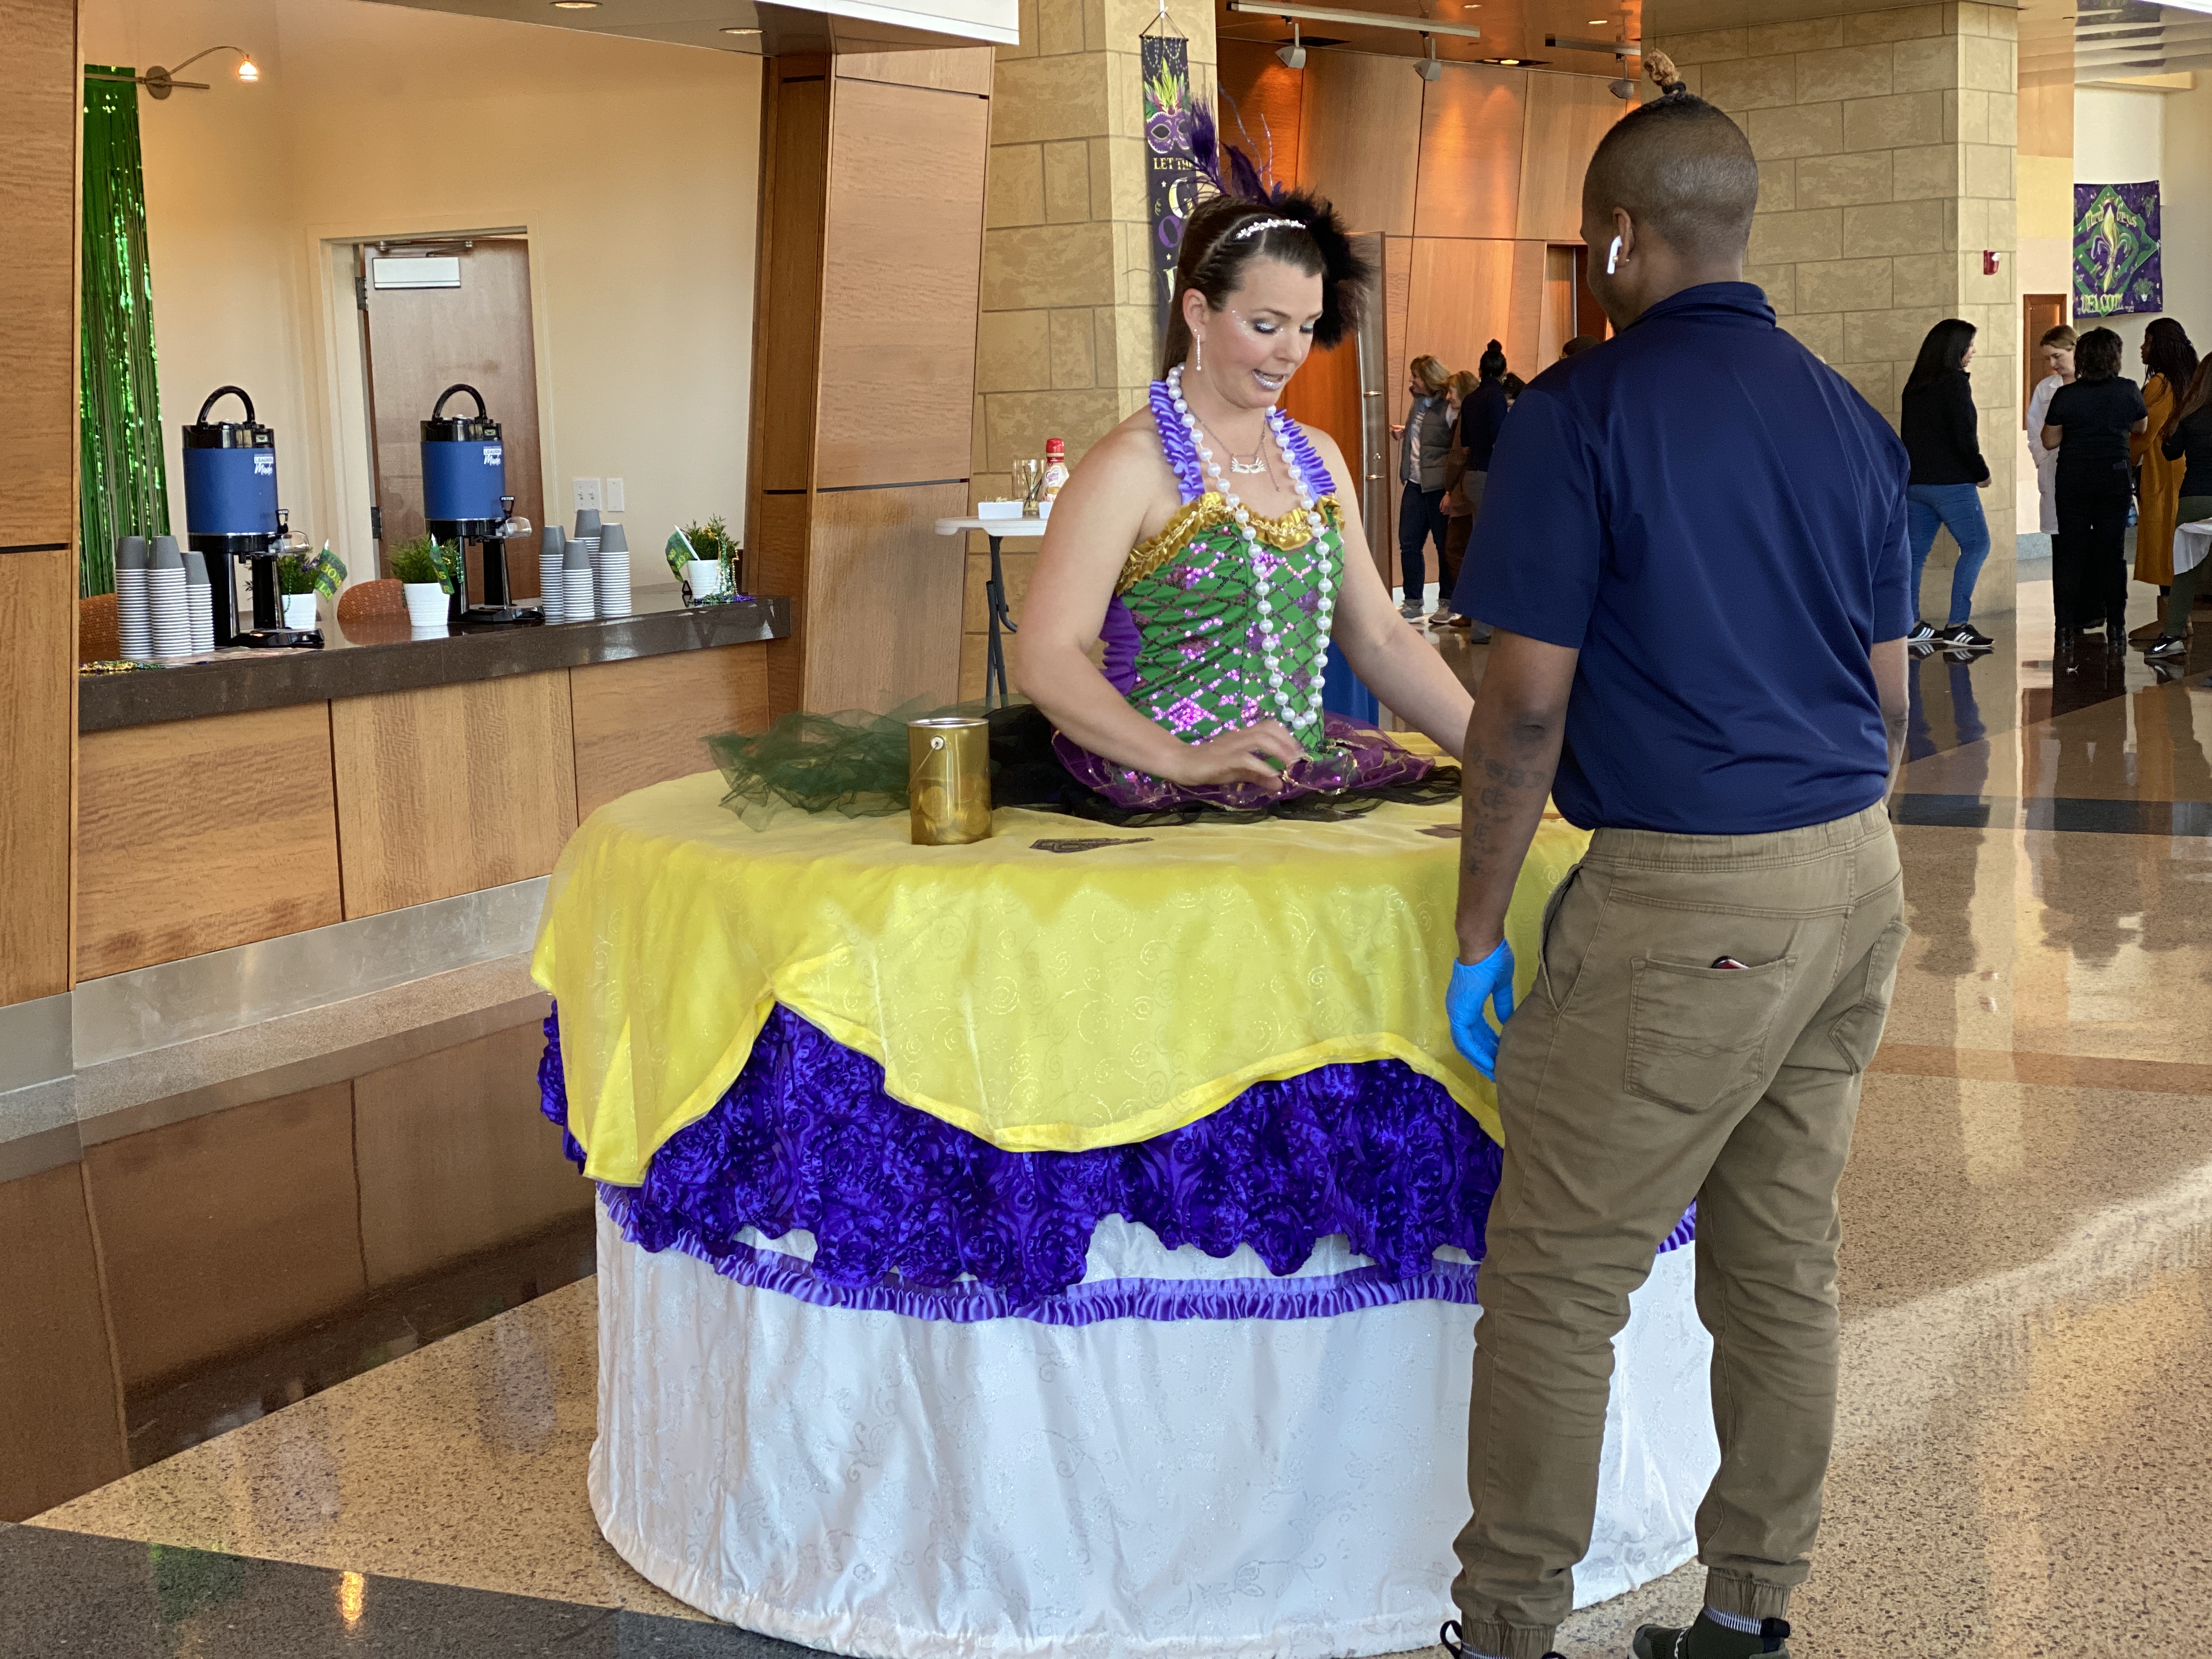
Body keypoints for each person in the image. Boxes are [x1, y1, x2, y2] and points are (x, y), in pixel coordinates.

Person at [1437, 48, 1911, 1659]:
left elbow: (1516, 717)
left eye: (1591, 250)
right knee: (1781, 1263)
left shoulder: (1582, 415)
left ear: (1625, 239)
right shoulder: (1848, 420)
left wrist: (1479, 929)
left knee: (1562, 1277)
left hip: (1691, 894)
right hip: (1856, 874)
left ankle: (1501, 1630)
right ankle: (1748, 1621)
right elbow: (1894, 690)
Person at [1015, 191, 1472, 812]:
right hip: (1160, 794)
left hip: (1303, 781)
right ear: (1199, 313)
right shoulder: (1129, 465)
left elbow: (1381, 637)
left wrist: (1495, 752)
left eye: (1307, 327)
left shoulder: (1318, 457)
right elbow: (1046, 655)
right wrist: (1181, 759)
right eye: (1266, 325)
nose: (1291, 353)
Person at [2043, 326, 2148, 659]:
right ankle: (2116, 625)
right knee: (2111, 552)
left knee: (2071, 554)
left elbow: (2049, 440)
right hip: (2114, 478)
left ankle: (2063, 631)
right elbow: (2140, 427)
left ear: (2083, 357)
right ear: (2116, 357)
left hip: (2074, 479)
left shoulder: (2067, 395)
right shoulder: (2128, 390)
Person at [1897, 318, 1994, 650]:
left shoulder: (1915, 385)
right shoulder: (1954, 383)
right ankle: (1957, 625)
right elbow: (1964, 436)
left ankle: (1909, 624)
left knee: (1913, 555)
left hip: (1915, 483)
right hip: (1952, 484)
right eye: (1969, 345)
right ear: (1956, 349)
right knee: (1977, 545)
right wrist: (1980, 471)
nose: (1973, 351)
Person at [1441, 343, 1515, 637]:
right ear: (1503, 372)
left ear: (1481, 369)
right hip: (1490, 476)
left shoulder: (1471, 399)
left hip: (1472, 477)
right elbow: (1499, 436)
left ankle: (1479, 624)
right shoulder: (1496, 397)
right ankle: (1487, 626)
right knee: (1492, 550)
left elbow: (1468, 440)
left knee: (1478, 547)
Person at [2144, 356, 2212, 662]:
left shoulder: (2190, 415)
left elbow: (2171, 452)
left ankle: (2172, 636)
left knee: (2185, 569)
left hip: (2194, 498)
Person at [2131, 318, 2197, 619]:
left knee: (2162, 542)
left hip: (2161, 473)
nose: (2142, 348)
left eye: (2147, 342)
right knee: (2179, 543)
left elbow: (2142, 433)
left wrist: (2125, 459)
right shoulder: (2193, 378)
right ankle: (2176, 620)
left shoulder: (2160, 383)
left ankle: (2169, 623)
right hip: (2184, 469)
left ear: (2160, 346)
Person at [1392, 353, 1454, 619]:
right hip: (1415, 483)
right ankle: (1413, 601)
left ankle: (1447, 602)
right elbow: (1425, 434)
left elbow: (1450, 442)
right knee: (1409, 543)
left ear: (1428, 378)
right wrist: (1406, 431)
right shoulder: (1417, 404)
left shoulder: (1448, 406)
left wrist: (1452, 490)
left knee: (1443, 546)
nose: (1411, 381)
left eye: (1415, 376)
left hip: (1438, 486)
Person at [2024, 323, 2075, 571]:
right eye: (2048, 359)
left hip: (2084, 474)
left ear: (2074, 349)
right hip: (2054, 470)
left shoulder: (2094, 385)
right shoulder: (2045, 388)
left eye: (2058, 356)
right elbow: (2035, 433)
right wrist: (2043, 461)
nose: (2053, 364)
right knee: (2062, 552)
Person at [1437, 369, 1481, 628]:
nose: (1448, 397)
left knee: (1456, 549)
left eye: (1452, 391)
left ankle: (1469, 609)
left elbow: (1458, 455)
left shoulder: (1466, 417)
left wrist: (1449, 488)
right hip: (1467, 488)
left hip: (1464, 491)